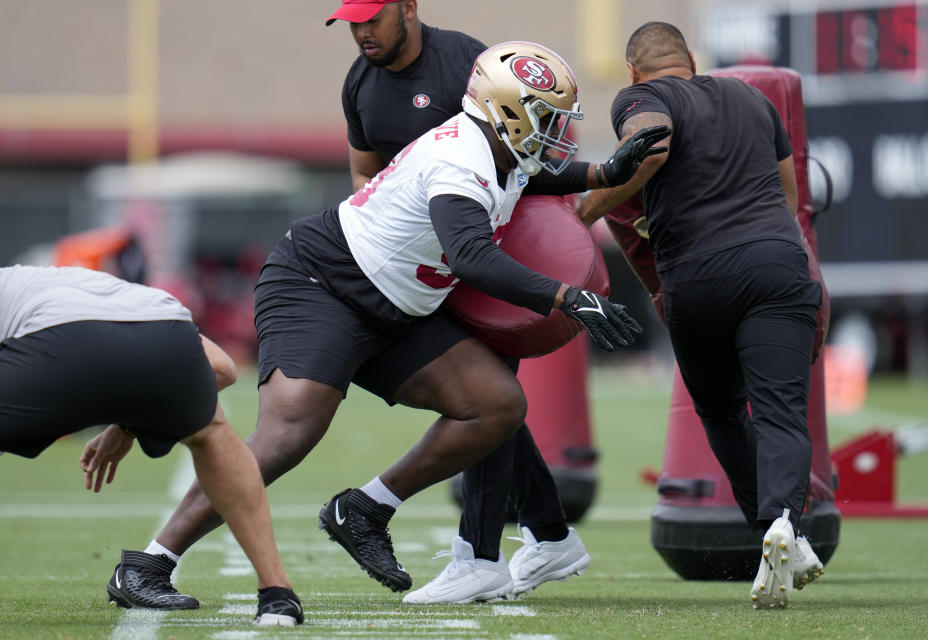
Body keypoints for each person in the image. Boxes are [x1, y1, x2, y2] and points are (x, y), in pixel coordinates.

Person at [97, 38, 665, 611]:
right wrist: (567, 297)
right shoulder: (460, 158)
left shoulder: (498, 146)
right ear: (508, 113)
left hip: (398, 304)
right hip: (323, 284)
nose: (551, 128)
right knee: (288, 434)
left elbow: (528, 176)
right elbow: (469, 254)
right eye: (544, 114)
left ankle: (365, 508)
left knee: (495, 404)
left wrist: (600, 170)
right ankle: (148, 564)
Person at [327, 0, 591, 603]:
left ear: (409, 8)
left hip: (496, 247)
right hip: (435, 259)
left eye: (372, 17)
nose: (362, 31)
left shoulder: (467, 64)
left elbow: (524, 155)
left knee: (488, 390)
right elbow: (369, 178)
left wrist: (589, 184)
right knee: (485, 402)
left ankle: (480, 556)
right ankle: (550, 534)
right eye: (353, 22)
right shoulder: (360, 83)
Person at [577, 22, 824, 609]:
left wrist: (582, 209)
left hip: (698, 277)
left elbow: (652, 142)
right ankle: (786, 523)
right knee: (782, 413)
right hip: (778, 266)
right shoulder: (753, 98)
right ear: (691, 59)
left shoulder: (641, 99)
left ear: (633, 72)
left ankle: (772, 527)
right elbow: (789, 197)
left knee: (718, 409)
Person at [0, 265, 303, 627]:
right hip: (166, 329)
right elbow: (222, 369)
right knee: (209, 429)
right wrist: (129, 422)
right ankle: (277, 595)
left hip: (58, 341)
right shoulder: (91, 285)